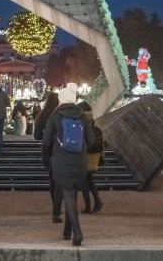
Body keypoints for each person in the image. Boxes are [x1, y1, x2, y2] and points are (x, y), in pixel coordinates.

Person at [42, 83, 92, 247]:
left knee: (68, 194)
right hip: (79, 159)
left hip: (61, 159)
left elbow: (46, 140)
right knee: (73, 193)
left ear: (61, 100)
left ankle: (77, 232)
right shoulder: (83, 116)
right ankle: (67, 232)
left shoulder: (55, 115)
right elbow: (91, 140)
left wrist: (49, 158)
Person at [33, 92, 62, 221]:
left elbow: (37, 136)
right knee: (61, 180)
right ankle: (59, 207)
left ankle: (56, 207)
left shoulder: (42, 115)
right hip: (62, 149)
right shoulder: (61, 115)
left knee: (53, 180)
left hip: (48, 150)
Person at [78, 101, 104, 214]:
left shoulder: (81, 122)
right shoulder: (94, 122)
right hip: (95, 155)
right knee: (89, 180)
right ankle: (97, 202)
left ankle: (88, 206)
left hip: (85, 155)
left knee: (84, 182)